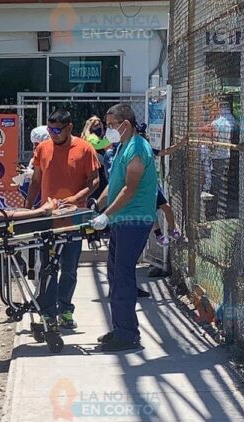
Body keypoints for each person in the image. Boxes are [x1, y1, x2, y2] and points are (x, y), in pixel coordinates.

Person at [91, 103, 159, 352]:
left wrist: (106, 216)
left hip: (134, 219)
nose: (107, 130)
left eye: (110, 125)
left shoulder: (138, 149)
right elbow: (114, 184)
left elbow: (129, 189)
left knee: (123, 276)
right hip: (121, 220)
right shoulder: (122, 148)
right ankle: (120, 327)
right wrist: (96, 205)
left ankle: (128, 335)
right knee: (114, 274)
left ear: (125, 124)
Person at [25, 109, 100, 330]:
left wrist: (75, 200)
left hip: (74, 219)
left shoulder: (85, 149)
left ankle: (65, 310)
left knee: (69, 268)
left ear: (69, 128)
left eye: (57, 130)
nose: (53, 134)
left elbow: (94, 181)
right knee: (47, 268)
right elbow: (36, 182)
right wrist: (28, 210)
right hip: (47, 219)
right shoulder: (42, 148)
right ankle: (48, 314)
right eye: (50, 130)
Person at [82, 115, 111, 200]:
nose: (98, 127)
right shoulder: (90, 137)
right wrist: (111, 139)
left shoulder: (97, 136)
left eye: (99, 125)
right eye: (95, 125)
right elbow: (99, 145)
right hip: (96, 167)